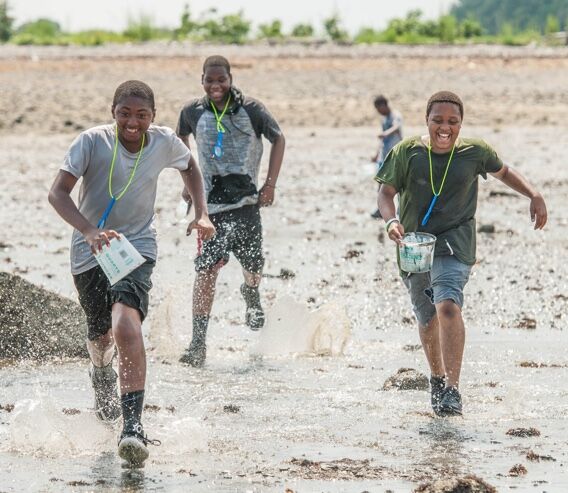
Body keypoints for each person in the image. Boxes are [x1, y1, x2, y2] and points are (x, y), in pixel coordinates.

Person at [48, 80, 215, 465]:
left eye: (142, 115)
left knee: (126, 325)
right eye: (125, 113)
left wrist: (201, 211)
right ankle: (100, 370)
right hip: (90, 252)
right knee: (101, 338)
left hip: (136, 246)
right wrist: (89, 231)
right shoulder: (91, 142)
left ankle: (133, 427)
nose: (133, 122)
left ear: (153, 117)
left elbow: (190, 166)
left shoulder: (164, 141)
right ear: (113, 112)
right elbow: (57, 193)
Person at [376, 91, 547, 417]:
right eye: (437, 120)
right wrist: (391, 221)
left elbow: (505, 172)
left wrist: (534, 194)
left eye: (452, 122)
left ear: (461, 124)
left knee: (448, 306)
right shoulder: (406, 152)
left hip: (455, 242)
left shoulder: (474, 152)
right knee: (427, 319)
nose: (445, 128)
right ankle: (437, 379)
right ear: (426, 120)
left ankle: (453, 389)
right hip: (413, 244)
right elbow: (385, 193)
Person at [176, 55, 285, 368]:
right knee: (205, 269)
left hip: (247, 203)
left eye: (221, 80)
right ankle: (198, 343)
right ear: (202, 81)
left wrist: (270, 185)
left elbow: (279, 139)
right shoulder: (192, 111)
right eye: (209, 81)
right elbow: (179, 137)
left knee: (253, 267)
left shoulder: (251, 109)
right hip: (209, 209)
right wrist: (188, 179)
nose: (215, 86)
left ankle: (251, 294)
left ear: (230, 78)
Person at [370, 95, 403, 219]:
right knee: (381, 184)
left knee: (399, 185)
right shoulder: (383, 119)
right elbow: (382, 142)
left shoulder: (395, 115)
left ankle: (401, 209)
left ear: (384, 105)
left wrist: (385, 133)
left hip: (395, 157)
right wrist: (376, 155)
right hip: (384, 157)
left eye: (379, 109)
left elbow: (396, 127)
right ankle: (381, 209)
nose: (379, 112)